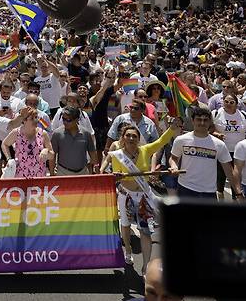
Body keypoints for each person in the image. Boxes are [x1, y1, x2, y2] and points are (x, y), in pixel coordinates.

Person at [100, 119, 179, 271]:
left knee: (145, 230)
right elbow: (117, 175)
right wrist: (115, 176)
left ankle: (145, 266)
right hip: (126, 196)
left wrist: (172, 129)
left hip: (143, 195)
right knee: (125, 224)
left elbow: (162, 141)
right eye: (128, 135)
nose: (131, 138)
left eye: (134, 136)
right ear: (122, 138)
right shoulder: (117, 155)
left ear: (138, 138)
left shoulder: (145, 150)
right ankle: (128, 249)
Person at [169, 107, 244, 200]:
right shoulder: (181, 140)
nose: (202, 123)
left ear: (210, 122)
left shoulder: (219, 145)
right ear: (192, 121)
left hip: (209, 192)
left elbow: (229, 171)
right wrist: (174, 166)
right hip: (185, 188)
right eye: (199, 120)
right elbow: (174, 158)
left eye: (205, 120)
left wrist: (238, 193)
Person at [1, 106, 55, 178]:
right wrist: (9, 159)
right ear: (24, 121)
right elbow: (5, 144)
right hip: (20, 176)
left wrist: (46, 150)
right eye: (32, 119)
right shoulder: (16, 133)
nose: (36, 120)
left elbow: (52, 155)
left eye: (36, 117)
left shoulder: (43, 134)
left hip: (39, 176)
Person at [211, 93, 246, 199]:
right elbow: (209, 129)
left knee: (236, 177)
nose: (228, 104)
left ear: (236, 104)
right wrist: (217, 134)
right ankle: (220, 202)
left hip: (238, 152)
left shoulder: (243, 115)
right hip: (222, 150)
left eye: (231, 102)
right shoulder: (216, 113)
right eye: (226, 102)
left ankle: (237, 199)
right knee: (220, 178)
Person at [50, 106, 99, 175]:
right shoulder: (57, 134)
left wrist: (97, 170)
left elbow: (92, 153)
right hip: (63, 173)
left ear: (77, 120)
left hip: (83, 173)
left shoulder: (86, 134)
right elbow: (53, 155)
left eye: (68, 120)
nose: (65, 122)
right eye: (63, 119)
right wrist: (52, 174)